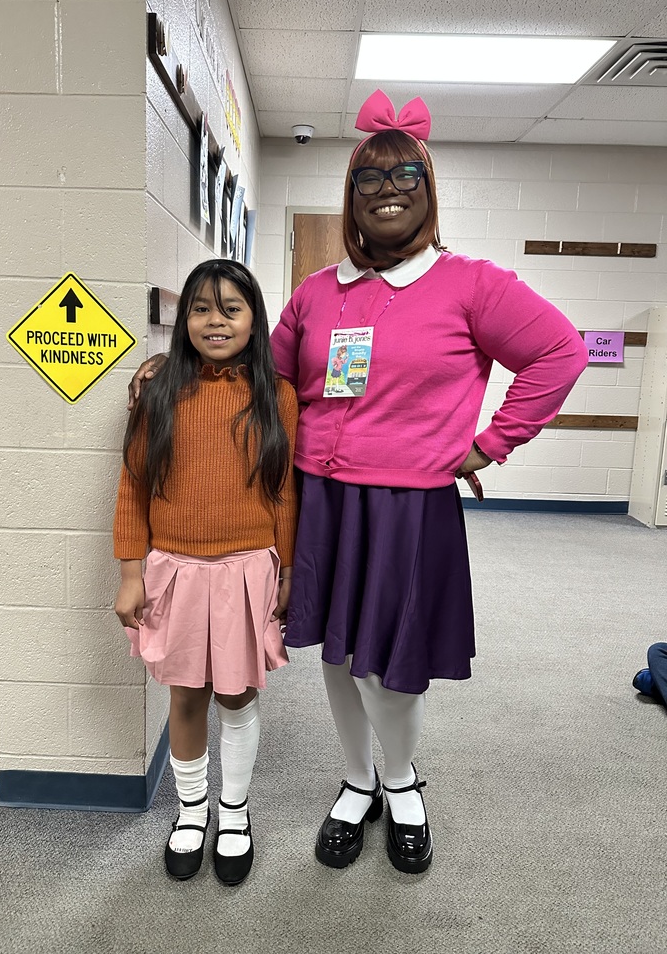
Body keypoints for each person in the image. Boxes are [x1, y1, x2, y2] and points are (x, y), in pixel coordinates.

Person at [130, 90, 589, 876]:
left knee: (388, 661)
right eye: (369, 179)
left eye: (406, 174)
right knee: (339, 656)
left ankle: (403, 784)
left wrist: (489, 445)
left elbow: (561, 354)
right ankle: (355, 782)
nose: (388, 190)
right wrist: (165, 366)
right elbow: (256, 377)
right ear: (350, 198)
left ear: (428, 190)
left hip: (407, 507)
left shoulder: (470, 284)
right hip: (321, 500)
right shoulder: (316, 293)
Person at [114, 259, 298, 886]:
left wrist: (290, 570)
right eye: (200, 308)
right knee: (187, 695)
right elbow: (133, 487)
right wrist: (130, 572)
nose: (215, 321)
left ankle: (234, 811)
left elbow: (286, 495)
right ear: (182, 319)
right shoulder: (158, 392)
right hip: (175, 571)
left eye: (230, 308)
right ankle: (191, 811)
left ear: (254, 319)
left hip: (248, 569)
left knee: (236, 696)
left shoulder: (278, 397)